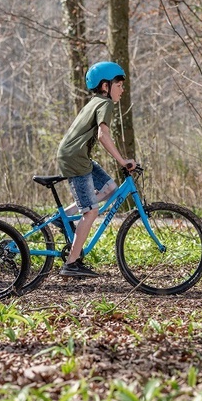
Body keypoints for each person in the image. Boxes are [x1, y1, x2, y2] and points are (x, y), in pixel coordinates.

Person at [56, 61, 137, 278]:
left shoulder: (95, 101)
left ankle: (63, 216)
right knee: (91, 211)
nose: (122, 89)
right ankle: (71, 264)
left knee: (111, 188)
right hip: (76, 159)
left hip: (78, 156)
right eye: (118, 85)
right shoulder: (105, 104)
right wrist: (123, 161)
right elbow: (103, 135)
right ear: (105, 86)